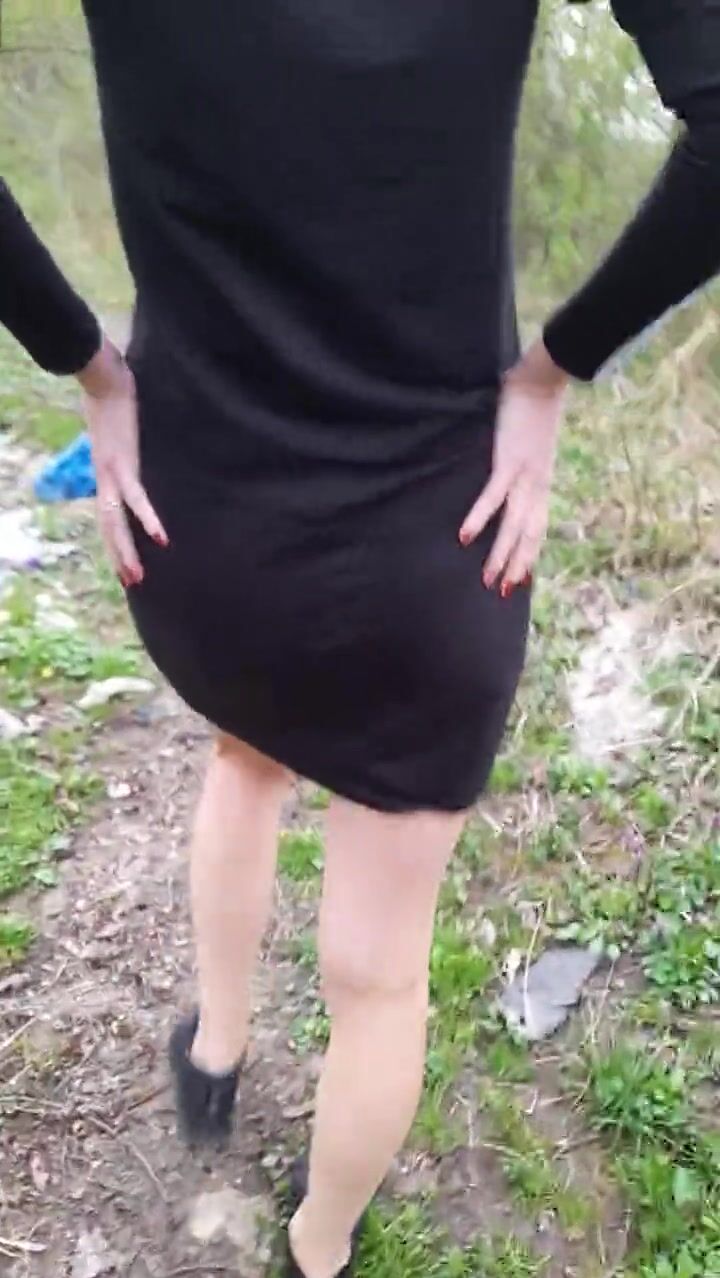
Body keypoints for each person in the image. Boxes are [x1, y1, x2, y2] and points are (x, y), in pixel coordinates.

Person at [2, 3, 719, 1274]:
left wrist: (87, 362)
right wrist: (554, 367)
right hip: (442, 544)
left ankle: (215, 1049)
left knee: (244, 758)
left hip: (202, 521)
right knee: (381, 975)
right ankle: (319, 1247)